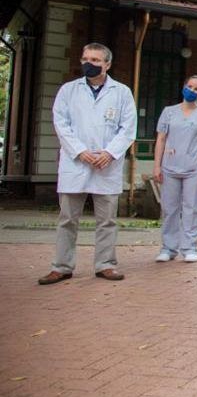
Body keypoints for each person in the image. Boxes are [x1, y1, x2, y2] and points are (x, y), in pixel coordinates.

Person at [39, 43, 137, 284]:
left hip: (107, 165)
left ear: (107, 64)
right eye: (85, 58)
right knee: (67, 219)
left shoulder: (122, 92)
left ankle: (105, 264)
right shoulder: (68, 91)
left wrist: (110, 153)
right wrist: (81, 152)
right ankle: (61, 266)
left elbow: (128, 129)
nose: (88, 64)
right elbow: (61, 124)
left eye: (95, 60)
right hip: (76, 164)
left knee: (107, 220)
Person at [152, 75, 197, 263]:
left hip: (194, 168)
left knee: (192, 208)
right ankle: (168, 247)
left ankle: (190, 247)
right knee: (169, 208)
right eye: (189, 86)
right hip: (170, 166)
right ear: (183, 87)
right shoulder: (169, 112)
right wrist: (157, 165)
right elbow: (161, 139)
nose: (192, 90)